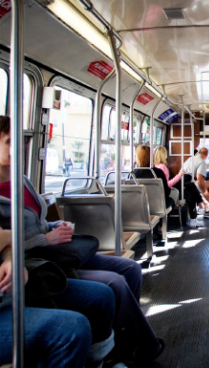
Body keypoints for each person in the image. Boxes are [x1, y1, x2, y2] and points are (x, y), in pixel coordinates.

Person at [0, 117, 164, 367]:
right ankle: (132, 347)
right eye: (9, 142)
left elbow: (39, 221)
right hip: (40, 261)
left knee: (130, 268)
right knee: (115, 283)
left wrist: (56, 226)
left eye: (19, 141)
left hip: (59, 249)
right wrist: (45, 238)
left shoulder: (21, 179)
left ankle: (125, 339)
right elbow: (10, 240)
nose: (17, 148)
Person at [0, 228, 116, 368]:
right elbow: (13, 235)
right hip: (9, 297)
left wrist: (10, 259)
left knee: (101, 296)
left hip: (15, 289)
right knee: (70, 328)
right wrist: (9, 235)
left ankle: (96, 362)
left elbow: (9, 242)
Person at [134, 144, 174, 208]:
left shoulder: (133, 174)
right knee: (172, 200)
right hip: (158, 206)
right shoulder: (158, 172)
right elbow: (166, 192)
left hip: (139, 205)